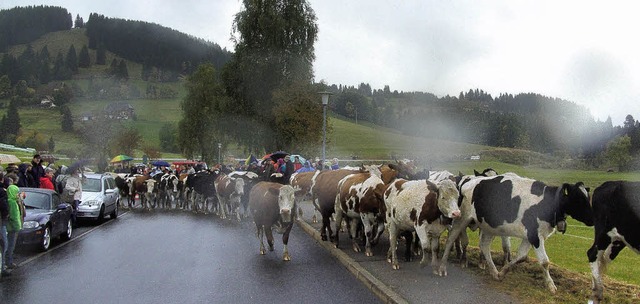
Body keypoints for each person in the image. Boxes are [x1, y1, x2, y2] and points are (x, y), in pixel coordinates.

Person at [4, 173, 22, 271]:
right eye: (17, 193)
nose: (18, 195)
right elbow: (14, 216)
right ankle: (9, 262)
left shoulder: (10, 200)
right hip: (12, 227)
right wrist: (17, 227)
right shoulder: (12, 203)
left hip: (9, 226)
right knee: (10, 244)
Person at [0, 168, 10, 277]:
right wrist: (6, 215)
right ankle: (2, 268)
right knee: (3, 243)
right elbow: (3, 205)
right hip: (1, 221)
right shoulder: (2, 191)